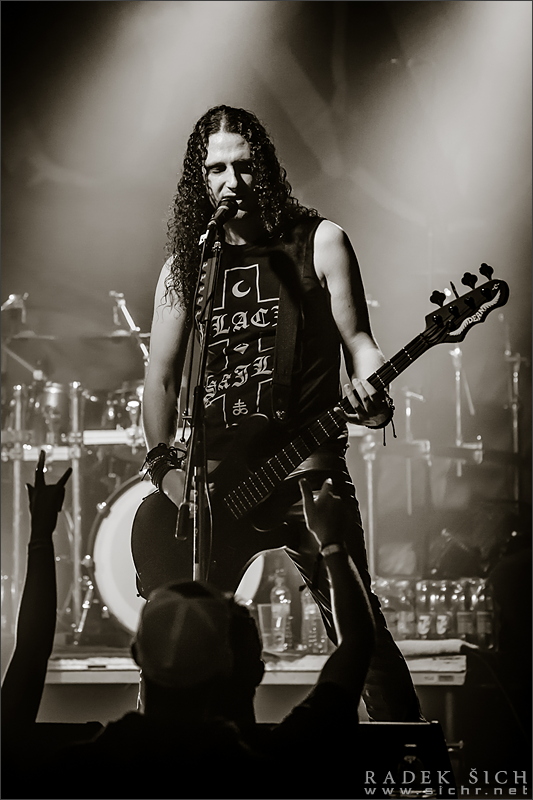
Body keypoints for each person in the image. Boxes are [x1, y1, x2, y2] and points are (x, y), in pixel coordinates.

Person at [139, 104, 421, 722]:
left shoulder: (320, 240)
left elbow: (361, 343)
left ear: (264, 167)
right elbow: (159, 379)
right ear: (199, 180)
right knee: (184, 646)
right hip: (218, 486)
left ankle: (410, 760)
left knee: (361, 632)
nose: (231, 181)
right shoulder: (187, 266)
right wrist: (167, 473)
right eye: (216, 169)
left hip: (306, 468)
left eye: (243, 166)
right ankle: (189, 758)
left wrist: (372, 389)